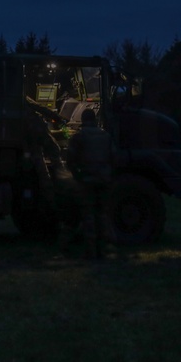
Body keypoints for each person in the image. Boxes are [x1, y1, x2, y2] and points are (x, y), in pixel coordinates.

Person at [65, 108, 114, 259]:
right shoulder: (106, 136)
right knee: (102, 215)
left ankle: (91, 251)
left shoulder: (79, 137)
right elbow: (114, 157)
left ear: (82, 119)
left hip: (87, 181)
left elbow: (70, 159)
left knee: (88, 216)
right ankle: (103, 250)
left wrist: (76, 175)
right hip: (103, 180)